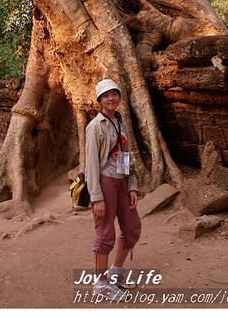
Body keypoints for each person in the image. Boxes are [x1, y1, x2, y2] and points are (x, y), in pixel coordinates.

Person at [85, 78, 142, 300]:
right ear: (100, 100)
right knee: (105, 233)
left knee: (132, 227)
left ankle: (116, 271)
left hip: (122, 182)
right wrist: (96, 198)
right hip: (105, 182)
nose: (111, 98)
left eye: (114, 94)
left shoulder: (120, 122)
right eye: (106, 95)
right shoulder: (94, 127)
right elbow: (90, 164)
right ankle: (101, 284)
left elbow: (126, 156)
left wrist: (133, 186)